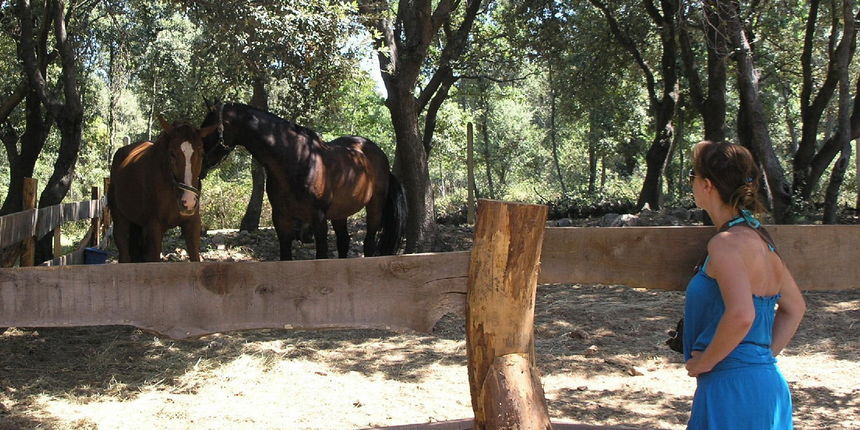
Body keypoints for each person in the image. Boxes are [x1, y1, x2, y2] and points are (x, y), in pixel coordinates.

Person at [683, 140, 806, 429]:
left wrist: (705, 363)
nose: (692, 184)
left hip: (731, 389)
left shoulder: (725, 245)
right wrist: (759, 358)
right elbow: (795, 307)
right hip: (766, 385)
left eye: (693, 177)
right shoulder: (762, 241)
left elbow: (742, 314)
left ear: (708, 185)